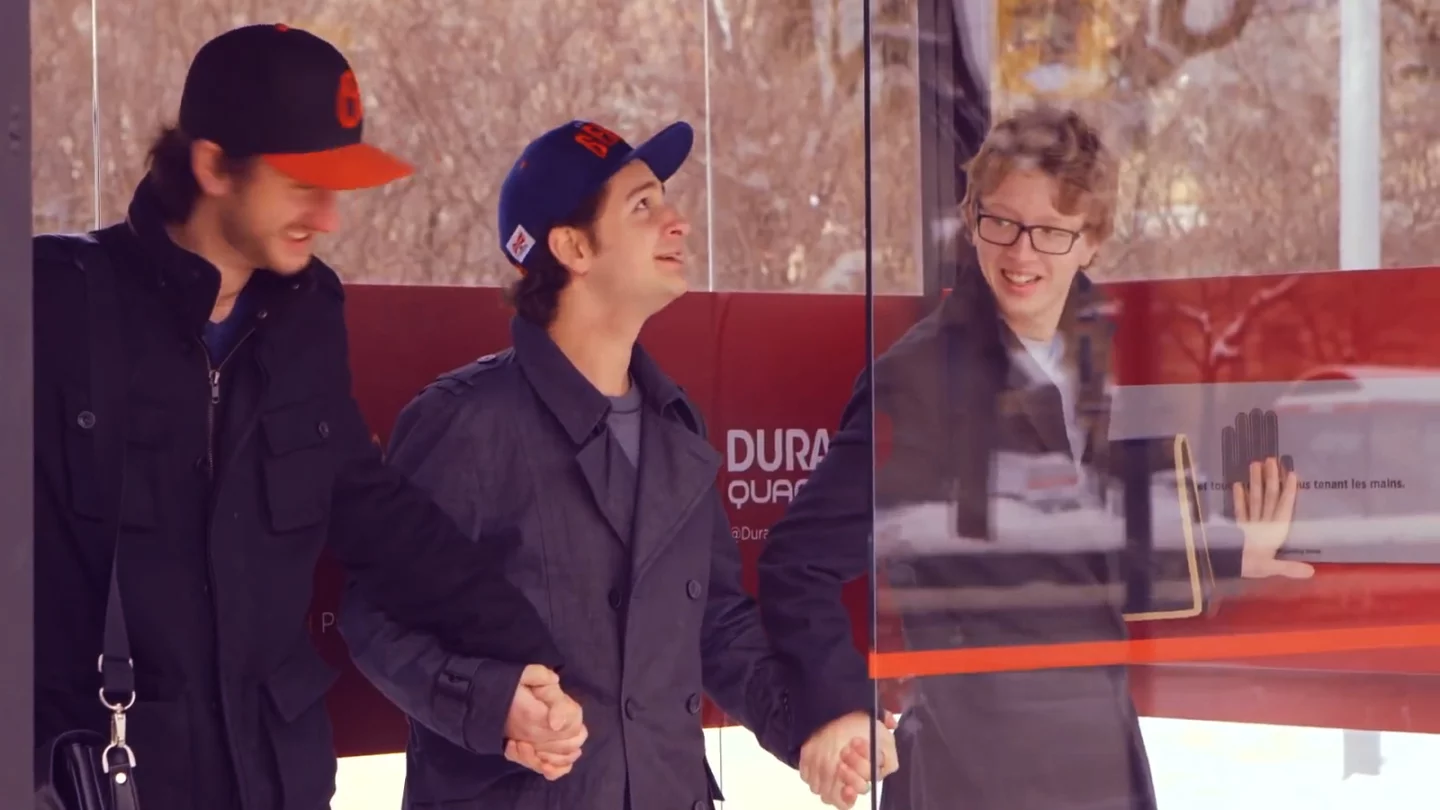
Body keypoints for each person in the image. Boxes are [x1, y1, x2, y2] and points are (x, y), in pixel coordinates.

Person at [32, 23, 580, 810]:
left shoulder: (307, 313)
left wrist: (527, 659)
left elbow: (369, 511)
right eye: (302, 185)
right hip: (108, 779)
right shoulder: (56, 303)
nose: (329, 218)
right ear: (212, 164)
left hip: (278, 779)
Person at [755, 105, 1312, 810]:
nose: (1020, 255)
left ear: (1092, 242)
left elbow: (1068, 550)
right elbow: (797, 563)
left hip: (1096, 757)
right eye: (1001, 223)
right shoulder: (921, 380)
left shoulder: (1087, 341)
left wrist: (1224, 552)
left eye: (1049, 232)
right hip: (975, 775)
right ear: (971, 215)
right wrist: (840, 709)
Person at [337, 118, 893, 810]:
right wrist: (492, 702)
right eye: (642, 206)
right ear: (572, 247)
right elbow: (373, 618)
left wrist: (815, 722)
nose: (677, 222)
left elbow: (717, 625)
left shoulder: (675, 430)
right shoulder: (467, 422)